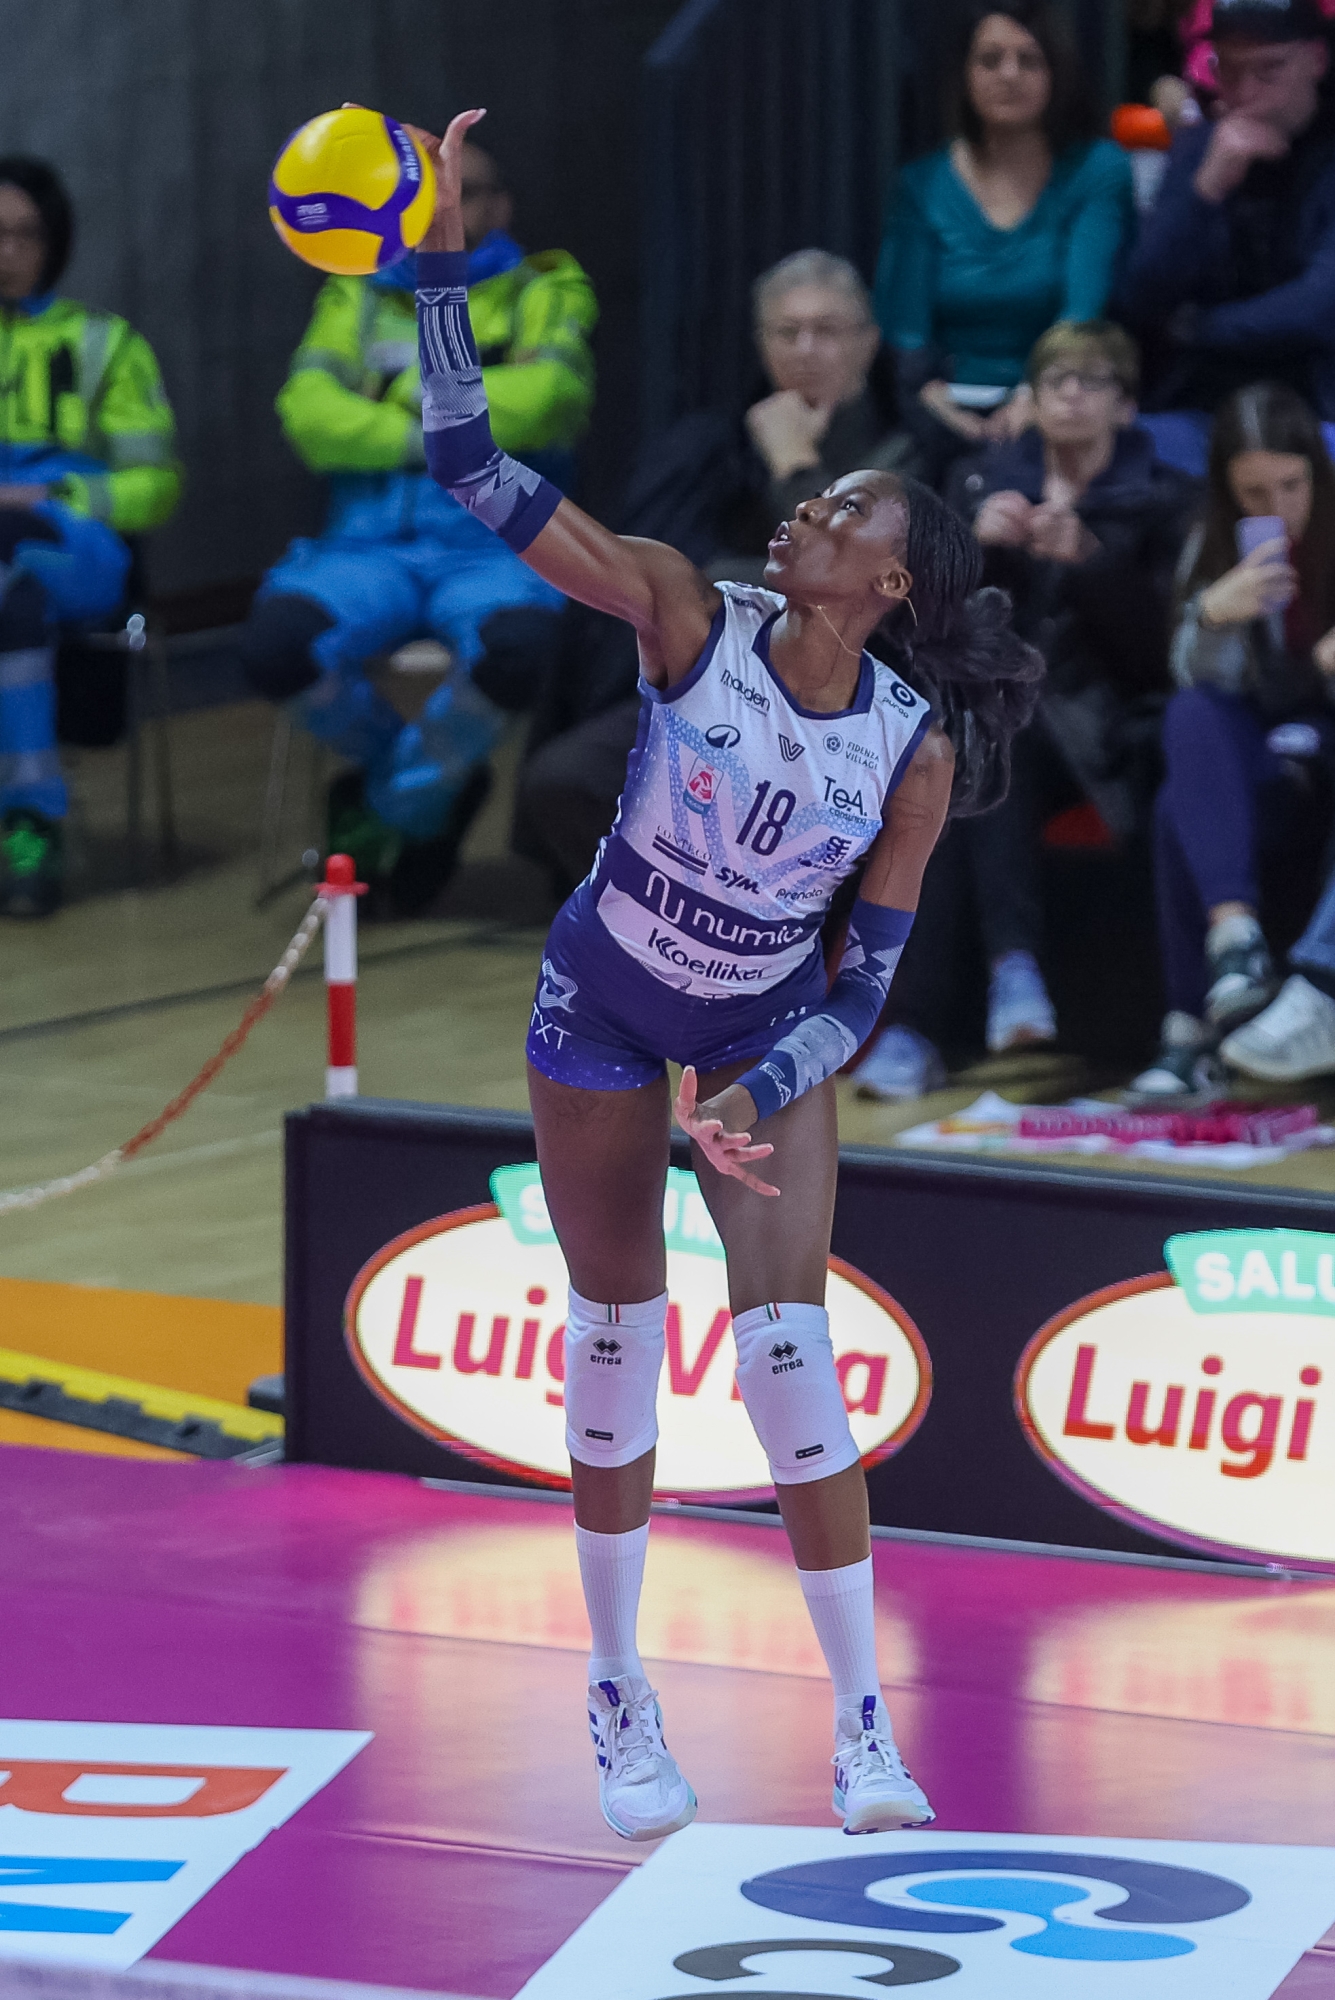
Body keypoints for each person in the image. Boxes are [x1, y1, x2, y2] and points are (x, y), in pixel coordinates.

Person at [408, 108, 1041, 1840]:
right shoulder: (687, 609)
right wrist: (443, 275)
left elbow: (870, 982)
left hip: (762, 1036)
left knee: (789, 1365)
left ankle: (863, 1732)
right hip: (603, 1007)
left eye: (842, 508)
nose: (807, 506)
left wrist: (768, 1075)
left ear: (886, 583)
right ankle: (619, 1693)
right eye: (815, 493)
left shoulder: (907, 750)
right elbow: (471, 471)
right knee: (615, 1342)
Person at [237, 132, 597, 915]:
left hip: (496, 547)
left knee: (521, 653)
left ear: (498, 207)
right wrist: (439, 428)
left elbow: (546, 402)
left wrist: (401, 395)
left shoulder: (545, 288)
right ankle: (431, 789)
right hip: (368, 547)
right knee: (273, 648)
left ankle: (382, 808)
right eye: (426, 197)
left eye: (462, 194)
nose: (442, 211)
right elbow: (308, 416)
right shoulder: (357, 291)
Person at [852, 320, 1198, 1099]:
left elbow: (1166, 656)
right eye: (1054, 382)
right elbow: (917, 635)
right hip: (1002, 722)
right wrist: (975, 554)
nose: (1070, 396)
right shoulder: (977, 482)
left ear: (1125, 404)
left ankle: (932, 1019)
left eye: (1090, 381)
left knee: (970, 745)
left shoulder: (1166, 499)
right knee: (960, 755)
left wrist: (1093, 567)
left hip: (1114, 727)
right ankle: (981, 989)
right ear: (1032, 400)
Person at [514, 249, 918, 898]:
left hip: (836, 713)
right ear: (761, 344)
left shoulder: (908, 448)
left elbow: (852, 575)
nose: (806, 349)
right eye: (787, 332)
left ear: (868, 343)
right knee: (565, 778)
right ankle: (682, 932)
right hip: (712, 689)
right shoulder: (713, 443)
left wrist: (793, 463)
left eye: (827, 331)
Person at [1128, 381, 1335, 1103]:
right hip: (1264, 762)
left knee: (1178, 802)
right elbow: (1208, 687)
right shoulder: (1210, 544)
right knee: (1187, 732)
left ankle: (1195, 1024)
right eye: (1254, 492)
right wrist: (1211, 619)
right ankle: (1231, 946)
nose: (1276, 508)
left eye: (1291, 485)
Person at [0, 157, 181, 918]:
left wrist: (59, 490)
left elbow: (156, 487)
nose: (6, 252)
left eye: (23, 236)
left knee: (11, 559)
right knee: (9, 590)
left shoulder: (108, 344)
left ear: (53, 244)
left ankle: (30, 821)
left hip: (80, 543)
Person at [874, 1, 1134, 487]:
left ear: (1057, 73)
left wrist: (1034, 396)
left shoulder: (1098, 170)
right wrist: (933, 400)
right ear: (964, 75)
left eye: (1029, 60)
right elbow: (906, 329)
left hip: (1061, 399)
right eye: (990, 60)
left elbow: (1083, 311)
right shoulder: (922, 183)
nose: (1009, 75)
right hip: (944, 407)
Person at [1120, 0, 1335, 475]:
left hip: (1318, 402)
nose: (1245, 93)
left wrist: (1196, 328)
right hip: (1200, 401)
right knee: (1124, 460)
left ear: (1316, 61)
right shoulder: (1202, 148)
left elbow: (1319, 306)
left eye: (1268, 70)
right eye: (1229, 71)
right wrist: (1205, 189)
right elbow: (1142, 293)